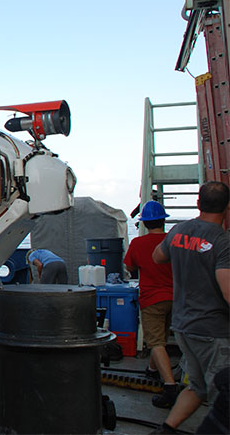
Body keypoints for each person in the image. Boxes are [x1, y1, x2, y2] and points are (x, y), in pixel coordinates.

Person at [150, 181, 230, 434]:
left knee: (196, 387)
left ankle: (167, 429)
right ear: (227, 208)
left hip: (183, 326)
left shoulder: (179, 231)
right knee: (223, 397)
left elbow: (157, 256)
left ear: (198, 204)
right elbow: (228, 290)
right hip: (213, 331)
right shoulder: (222, 241)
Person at [123, 200, 177, 408]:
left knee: (155, 342)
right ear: (163, 220)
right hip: (175, 297)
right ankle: (153, 370)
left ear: (143, 223)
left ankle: (170, 386)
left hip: (152, 299)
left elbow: (129, 266)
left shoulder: (138, 244)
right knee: (161, 336)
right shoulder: (174, 241)